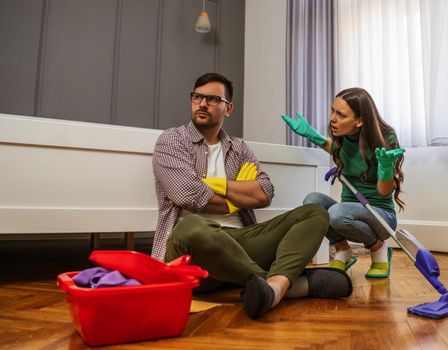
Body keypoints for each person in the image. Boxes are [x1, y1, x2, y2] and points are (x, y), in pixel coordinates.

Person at [151, 72, 352, 319]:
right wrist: (238, 197)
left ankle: (271, 289)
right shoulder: (171, 140)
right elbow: (187, 195)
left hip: (242, 240)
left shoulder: (240, 148)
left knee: (315, 212)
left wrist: (220, 186)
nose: (202, 104)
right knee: (191, 225)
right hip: (191, 255)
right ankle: (288, 285)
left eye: (213, 99)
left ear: (228, 108)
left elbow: (265, 192)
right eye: (197, 97)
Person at [282, 87, 405, 278]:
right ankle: (343, 250)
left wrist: (386, 168)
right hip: (350, 211)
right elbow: (338, 150)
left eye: (340, 114)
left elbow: (383, 192)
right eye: (333, 110)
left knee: (337, 213)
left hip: (380, 216)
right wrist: (312, 135)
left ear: (360, 120)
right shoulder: (344, 137)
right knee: (312, 202)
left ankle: (379, 249)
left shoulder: (385, 137)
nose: (332, 118)